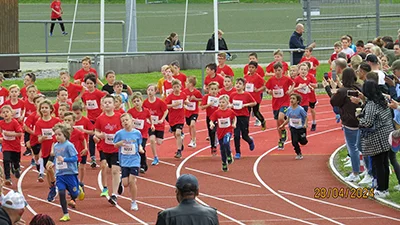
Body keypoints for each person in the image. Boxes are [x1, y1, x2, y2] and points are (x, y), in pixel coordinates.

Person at [359, 80, 394, 198]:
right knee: (384, 162)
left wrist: (359, 119)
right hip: (387, 134)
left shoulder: (371, 105)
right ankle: (385, 188)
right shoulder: (382, 100)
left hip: (376, 137)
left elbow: (368, 122)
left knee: (378, 163)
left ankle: (381, 189)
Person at [330, 68, 362, 183]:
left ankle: (356, 173)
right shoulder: (359, 87)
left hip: (349, 122)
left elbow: (334, 102)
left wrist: (334, 89)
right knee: (362, 148)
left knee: (352, 148)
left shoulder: (342, 91)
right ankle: (367, 171)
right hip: (362, 120)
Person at [51, 123, 85, 221]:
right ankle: (66, 214)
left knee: (74, 194)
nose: (57, 137)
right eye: (55, 135)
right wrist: (53, 164)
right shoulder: (56, 146)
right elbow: (57, 158)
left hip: (70, 173)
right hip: (60, 174)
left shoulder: (69, 145)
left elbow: (75, 158)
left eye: (59, 134)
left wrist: (65, 159)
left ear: (65, 135)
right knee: (61, 192)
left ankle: (78, 189)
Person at [113, 113, 145, 211]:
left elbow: (139, 143)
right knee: (126, 183)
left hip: (134, 160)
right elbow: (115, 145)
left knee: (131, 181)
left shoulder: (137, 133)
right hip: (124, 160)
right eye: (123, 121)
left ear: (132, 120)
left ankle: (134, 202)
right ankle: (121, 183)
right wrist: (119, 143)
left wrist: (140, 148)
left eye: (126, 120)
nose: (125, 122)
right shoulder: (119, 134)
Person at [265, 62, 294, 151]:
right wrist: (268, 92)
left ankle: (284, 130)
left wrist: (290, 91)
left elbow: (293, 84)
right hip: (275, 103)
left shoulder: (286, 79)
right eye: (275, 70)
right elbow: (266, 88)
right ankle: (281, 139)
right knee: (278, 123)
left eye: (279, 70)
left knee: (280, 117)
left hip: (284, 102)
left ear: (282, 70)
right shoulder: (271, 80)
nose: (277, 72)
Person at [209, 95, 236, 172]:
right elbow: (211, 119)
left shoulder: (230, 111)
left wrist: (234, 124)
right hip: (220, 132)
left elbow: (234, 118)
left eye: (223, 102)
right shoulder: (217, 112)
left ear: (227, 103)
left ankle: (229, 154)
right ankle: (224, 162)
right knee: (222, 149)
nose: (221, 104)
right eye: (220, 102)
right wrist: (211, 124)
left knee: (226, 142)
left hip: (228, 131)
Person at [143, 84, 168, 166]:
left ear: (155, 91)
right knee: (152, 140)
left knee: (159, 142)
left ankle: (156, 155)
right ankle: (155, 157)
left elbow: (166, 111)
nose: (150, 92)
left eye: (151, 90)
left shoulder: (160, 102)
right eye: (148, 90)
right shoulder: (145, 102)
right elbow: (143, 112)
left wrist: (162, 119)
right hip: (151, 125)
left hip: (159, 124)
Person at [279, 93, 308, 159]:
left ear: (297, 101)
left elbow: (306, 117)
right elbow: (288, 119)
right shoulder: (289, 109)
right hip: (293, 128)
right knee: (294, 142)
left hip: (301, 128)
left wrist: (305, 124)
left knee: (303, 142)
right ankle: (299, 153)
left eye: (293, 99)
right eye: (291, 98)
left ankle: (303, 140)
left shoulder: (300, 109)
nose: (291, 100)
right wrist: (282, 125)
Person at [0, 105, 23, 186]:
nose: (5, 114)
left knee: (16, 161)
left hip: (15, 146)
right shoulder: (1, 123)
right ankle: (8, 178)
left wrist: (10, 134)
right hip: (6, 144)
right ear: (1, 115)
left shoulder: (14, 122)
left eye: (7, 112)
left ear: (11, 113)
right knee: (6, 160)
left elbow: (20, 133)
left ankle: (16, 168)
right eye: (3, 112)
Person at [165, 80, 187, 159]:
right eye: (174, 87)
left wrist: (187, 102)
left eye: (178, 87)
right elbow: (165, 106)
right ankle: (180, 143)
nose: (176, 89)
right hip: (172, 118)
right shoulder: (170, 97)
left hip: (180, 118)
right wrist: (173, 105)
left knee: (178, 133)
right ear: (172, 88)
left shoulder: (183, 95)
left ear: (180, 87)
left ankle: (179, 151)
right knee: (175, 134)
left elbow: (185, 100)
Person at [183, 76, 202, 148]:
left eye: (187, 82)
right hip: (187, 112)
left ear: (191, 84)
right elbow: (182, 99)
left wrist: (195, 99)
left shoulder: (197, 92)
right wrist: (185, 101)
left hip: (194, 111)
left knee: (192, 125)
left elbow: (202, 99)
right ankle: (192, 138)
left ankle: (194, 140)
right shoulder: (184, 91)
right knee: (189, 126)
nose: (185, 83)